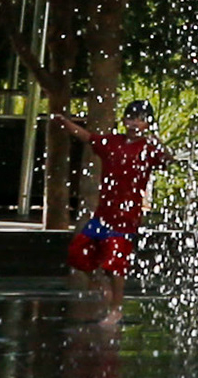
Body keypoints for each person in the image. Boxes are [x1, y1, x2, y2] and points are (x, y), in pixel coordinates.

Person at [54, 96, 170, 303]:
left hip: (127, 218)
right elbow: (87, 137)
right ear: (124, 121)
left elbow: (168, 161)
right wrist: (65, 123)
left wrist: (161, 146)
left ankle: (115, 308)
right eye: (130, 118)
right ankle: (101, 286)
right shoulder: (112, 142)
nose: (134, 124)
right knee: (78, 254)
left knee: (115, 265)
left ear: (148, 124)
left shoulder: (148, 148)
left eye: (141, 119)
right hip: (103, 215)